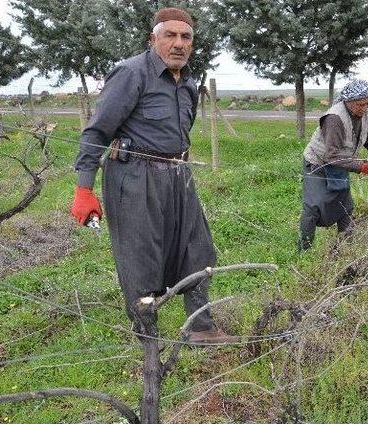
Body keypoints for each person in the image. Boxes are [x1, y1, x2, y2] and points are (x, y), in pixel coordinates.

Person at [70, 7, 236, 345]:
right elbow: (97, 132)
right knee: (140, 257)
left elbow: (182, 131)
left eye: (185, 37)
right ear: (153, 39)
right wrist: (83, 189)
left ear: (192, 43)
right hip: (134, 177)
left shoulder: (188, 81)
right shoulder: (131, 74)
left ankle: (200, 327)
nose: (178, 43)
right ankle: (147, 337)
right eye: (169, 35)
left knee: (198, 249)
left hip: (179, 175)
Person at [298, 79, 368, 250]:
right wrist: (362, 166)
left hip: (342, 163)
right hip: (318, 165)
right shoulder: (334, 118)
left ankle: (346, 250)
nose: (364, 108)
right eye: (360, 104)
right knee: (313, 208)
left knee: (345, 207)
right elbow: (332, 155)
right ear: (348, 102)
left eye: (367, 103)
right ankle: (303, 252)